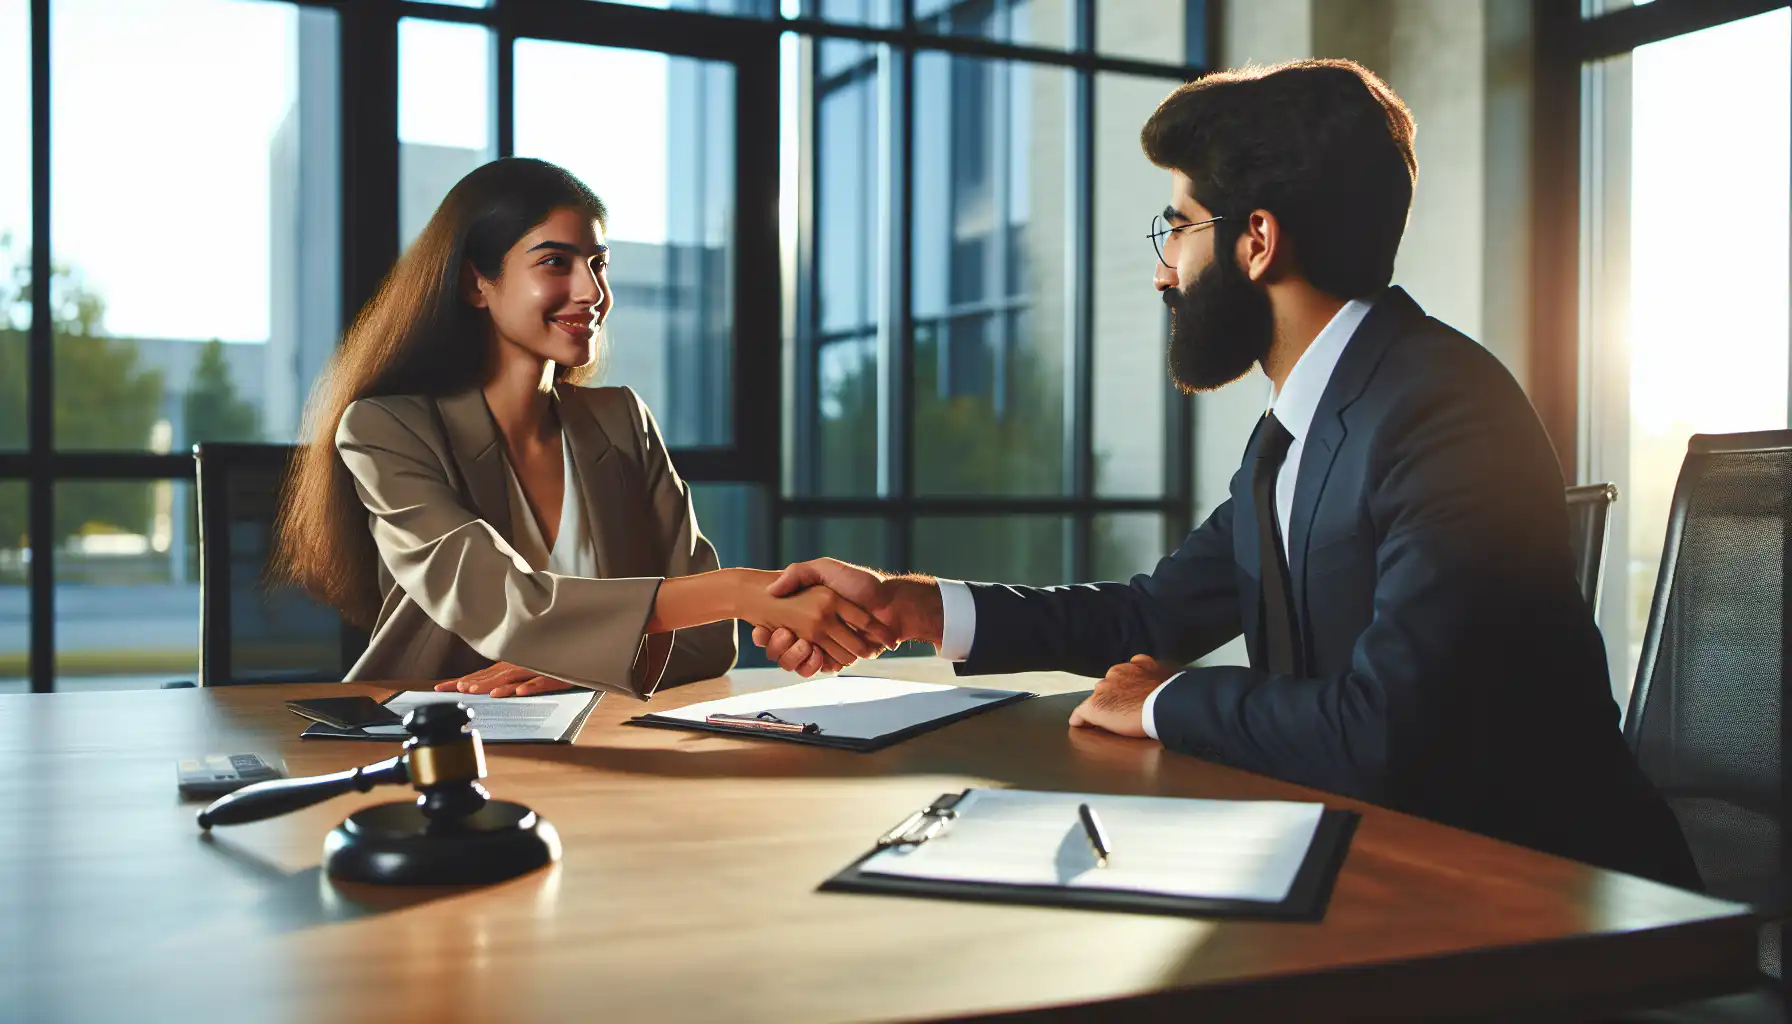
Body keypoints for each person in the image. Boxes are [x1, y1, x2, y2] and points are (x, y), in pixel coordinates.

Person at [754, 61, 1699, 888]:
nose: (1163, 270)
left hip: (1551, 902)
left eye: (1177, 228)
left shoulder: (1445, 410)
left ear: (1257, 239)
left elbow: (1389, 733)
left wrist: (1161, 700)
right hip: (1377, 860)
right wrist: (912, 608)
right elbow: (1152, 616)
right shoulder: (1298, 427)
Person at [274, 157, 892, 700]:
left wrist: (587, 666)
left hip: (598, 741)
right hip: (429, 742)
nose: (591, 291)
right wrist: (733, 590)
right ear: (475, 283)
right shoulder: (386, 429)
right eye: (555, 263)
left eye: (598, 265)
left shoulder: (621, 421)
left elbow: (708, 643)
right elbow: (507, 606)